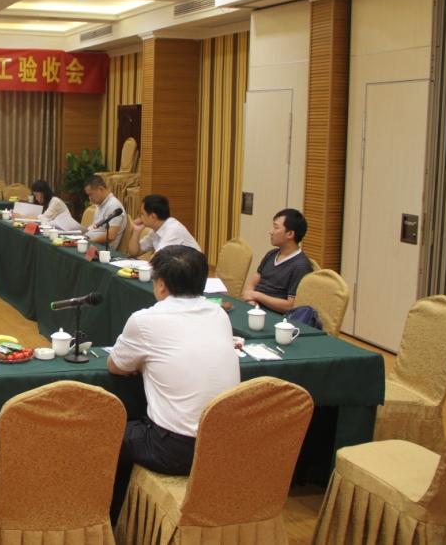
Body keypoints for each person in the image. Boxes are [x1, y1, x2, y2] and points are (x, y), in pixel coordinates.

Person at [107, 245, 240, 517]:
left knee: (103, 434)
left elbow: (116, 366)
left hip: (175, 449)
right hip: (223, 445)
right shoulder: (219, 314)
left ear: (161, 285)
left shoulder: (145, 320)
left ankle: (115, 521)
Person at [241, 208, 314, 313]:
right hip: (253, 307)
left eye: (276, 228)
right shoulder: (271, 254)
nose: (270, 232)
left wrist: (257, 296)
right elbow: (252, 284)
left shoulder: (301, 266)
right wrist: (251, 300)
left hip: (274, 316)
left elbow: (291, 305)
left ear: (290, 234)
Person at [127, 194, 201, 257]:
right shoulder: (156, 230)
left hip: (192, 268)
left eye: (142, 214)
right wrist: (136, 231)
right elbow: (134, 253)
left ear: (153, 216)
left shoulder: (173, 230)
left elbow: (156, 261)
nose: (140, 217)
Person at [82, 176, 125, 249]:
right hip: (92, 242)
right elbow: (96, 228)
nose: (90, 198)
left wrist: (89, 241)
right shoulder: (100, 204)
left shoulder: (114, 206)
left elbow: (111, 235)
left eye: (91, 194)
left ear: (100, 189)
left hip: (103, 249)